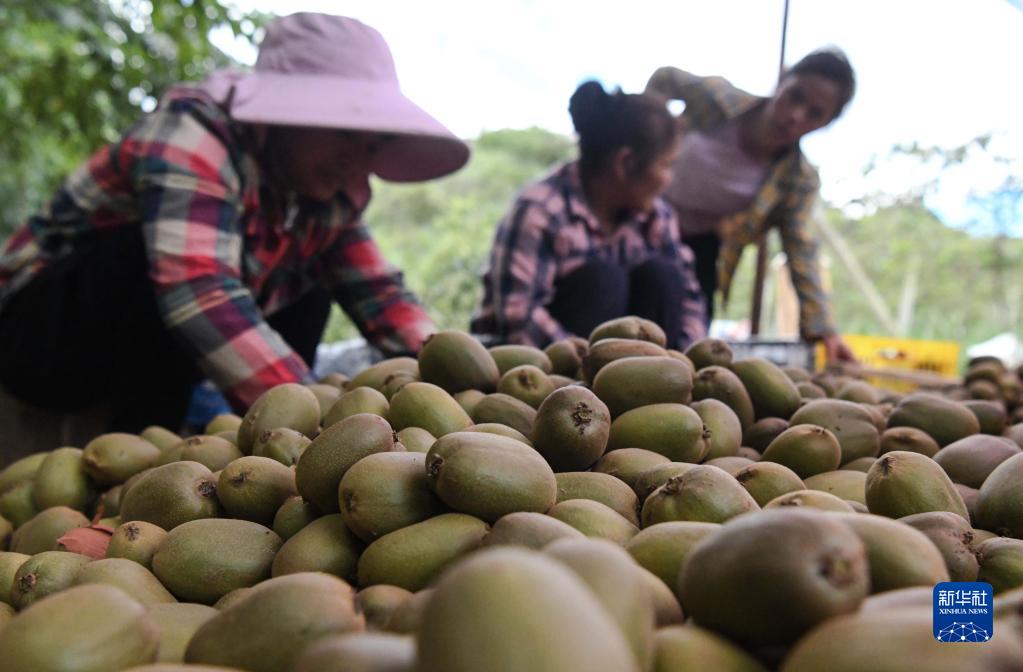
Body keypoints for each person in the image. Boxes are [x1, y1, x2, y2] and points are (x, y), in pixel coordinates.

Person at [0, 13, 469, 433]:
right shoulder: (192, 134)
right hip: (41, 333)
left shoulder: (319, 195)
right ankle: (138, 453)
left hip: (146, 349)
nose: (357, 159)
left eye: (374, 142)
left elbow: (380, 293)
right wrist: (318, 416)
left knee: (315, 282)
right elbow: (199, 292)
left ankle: (269, 437)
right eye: (345, 130)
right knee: (149, 263)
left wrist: (453, 373)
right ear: (283, 114)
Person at [645, 47, 856, 361]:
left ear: (824, 124)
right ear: (783, 80)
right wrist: (647, 131)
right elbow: (665, 77)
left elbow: (801, 251)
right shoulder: (717, 98)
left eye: (815, 113)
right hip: (636, 218)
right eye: (795, 96)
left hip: (697, 252)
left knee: (680, 349)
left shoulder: (797, 180)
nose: (796, 115)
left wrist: (825, 330)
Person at [470, 81, 707, 351]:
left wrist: (683, 363)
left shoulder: (658, 217)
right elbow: (519, 318)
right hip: (553, 370)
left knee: (663, 276)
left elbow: (690, 302)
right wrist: (590, 365)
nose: (669, 179)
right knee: (605, 281)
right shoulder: (539, 210)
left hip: (633, 372)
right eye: (666, 165)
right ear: (625, 163)